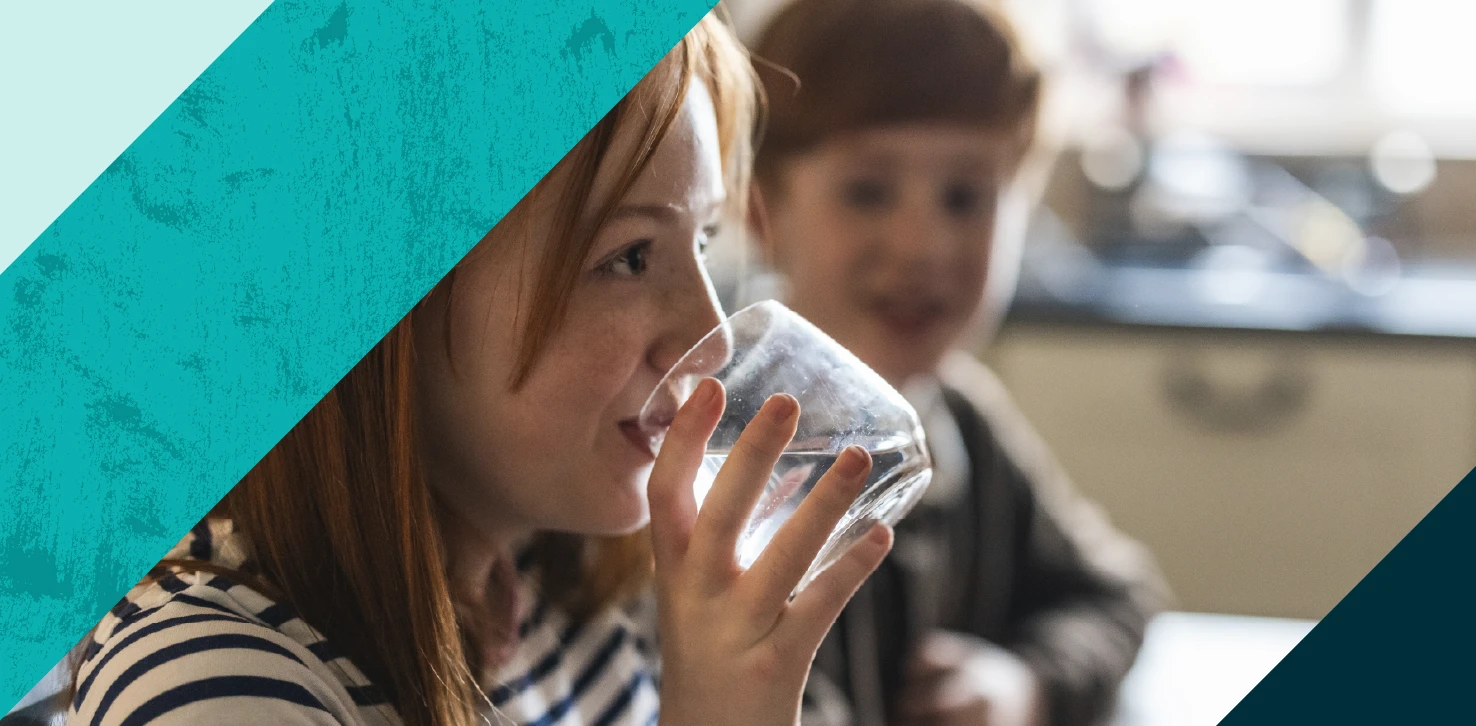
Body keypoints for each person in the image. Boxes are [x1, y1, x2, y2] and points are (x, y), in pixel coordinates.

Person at [65, 14, 895, 726]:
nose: (710, 337)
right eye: (629, 256)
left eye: (704, 240)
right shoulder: (212, 686)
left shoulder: (571, 580)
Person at [746, 1, 1171, 725]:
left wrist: (1024, 683)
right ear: (763, 215)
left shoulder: (961, 417)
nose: (922, 246)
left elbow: (1116, 595)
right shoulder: (739, 463)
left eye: (966, 197)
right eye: (868, 192)